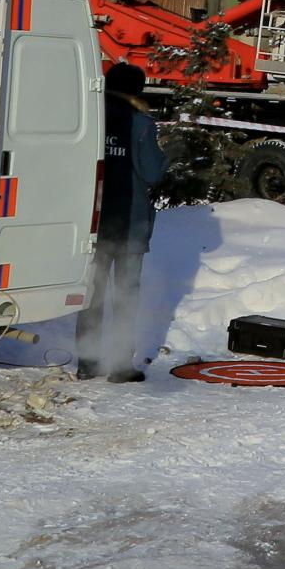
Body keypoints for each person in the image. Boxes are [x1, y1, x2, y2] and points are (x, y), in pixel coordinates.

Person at [76, 61, 167, 383]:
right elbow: (153, 172)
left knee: (93, 292)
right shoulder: (142, 124)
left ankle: (87, 361)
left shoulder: (91, 117)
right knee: (125, 294)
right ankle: (120, 366)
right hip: (128, 223)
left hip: (93, 220)